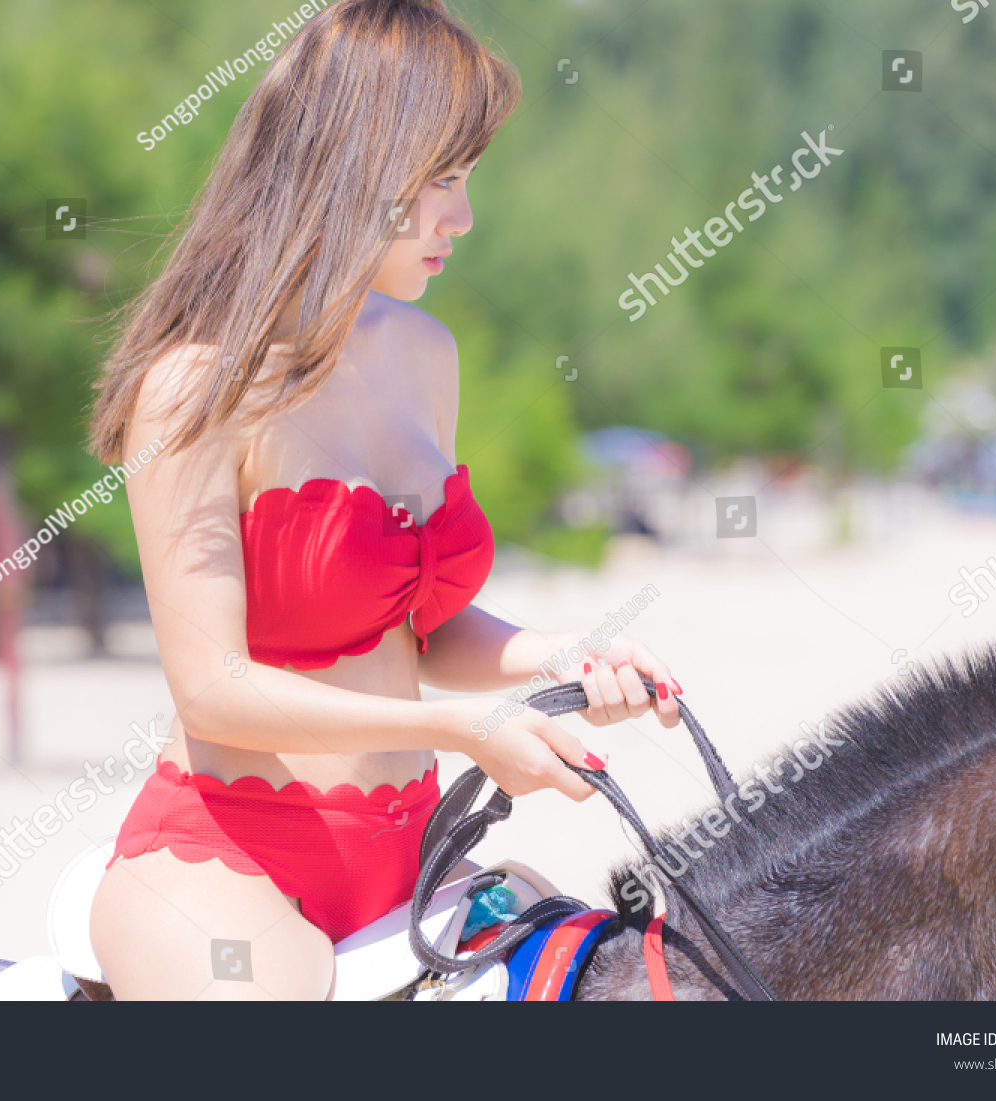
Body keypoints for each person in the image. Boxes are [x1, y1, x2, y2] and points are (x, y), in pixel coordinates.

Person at [87, 0, 681, 1000]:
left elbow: (418, 631)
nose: (464, 217)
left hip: (412, 846)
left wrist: (558, 659)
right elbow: (212, 689)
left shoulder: (424, 354)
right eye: (443, 179)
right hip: (227, 857)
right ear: (353, 164)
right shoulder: (193, 387)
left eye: (467, 181)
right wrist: (471, 733)